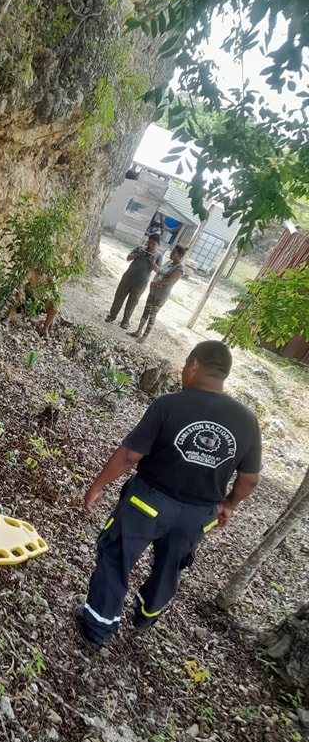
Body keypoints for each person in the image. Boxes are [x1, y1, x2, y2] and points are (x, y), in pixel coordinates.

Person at [74, 340, 262, 651]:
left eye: (186, 365)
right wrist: (228, 504)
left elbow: (130, 454)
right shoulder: (246, 419)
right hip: (198, 515)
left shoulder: (170, 404)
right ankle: (147, 615)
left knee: (116, 556)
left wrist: (98, 485)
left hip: (148, 502)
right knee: (170, 565)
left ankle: (97, 628)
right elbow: (250, 480)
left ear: (194, 364)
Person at [130, 244, 186, 343]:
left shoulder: (179, 268)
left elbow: (170, 280)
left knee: (152, 315)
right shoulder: (169, 263)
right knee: (146, 312)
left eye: (174, 252)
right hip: (154, 291)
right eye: (172, 251)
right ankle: (138, 331)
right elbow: (159, 271)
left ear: (180, 255)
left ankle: (144, 336)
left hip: (161, 294)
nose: (171, 253)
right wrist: (152, 263)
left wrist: (156, 283)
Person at [105, 232, 162, 330]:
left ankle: (125, 321)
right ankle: (112, 316)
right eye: (150, 242)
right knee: (119, 297)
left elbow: (158, 270)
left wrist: (152, 262)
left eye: (154, 244)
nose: (151, 245)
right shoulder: (140, 248)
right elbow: (128, 258)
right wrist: (137, 254)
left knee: (132, 302)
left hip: (141, 282)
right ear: (147, 241)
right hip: (128, 277)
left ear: (158, 245)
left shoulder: (158, 255)